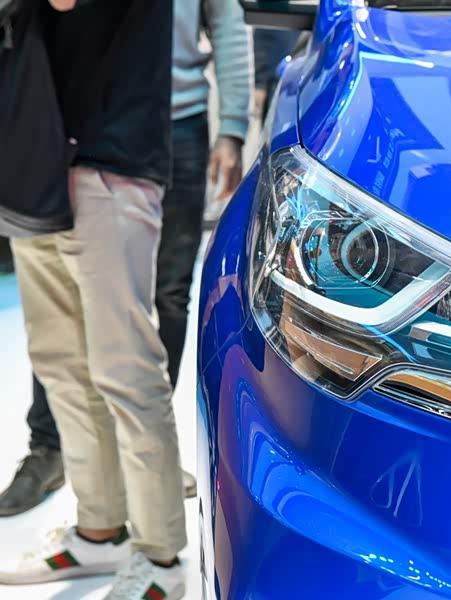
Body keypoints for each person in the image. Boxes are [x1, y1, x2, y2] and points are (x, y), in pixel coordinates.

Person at [0, 0, 251, 525]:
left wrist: (231, 126)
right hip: (59, 130)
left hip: (145, 136)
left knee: (146, 328)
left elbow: (226, 21)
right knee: (62, 345)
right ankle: (82, 493)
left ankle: (152, 519)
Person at [0, 0, 188, 596]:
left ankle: (161, 559)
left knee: (125, 371)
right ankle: (98, 530)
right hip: (38, 159)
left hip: (110, 159)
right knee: (61, 366)